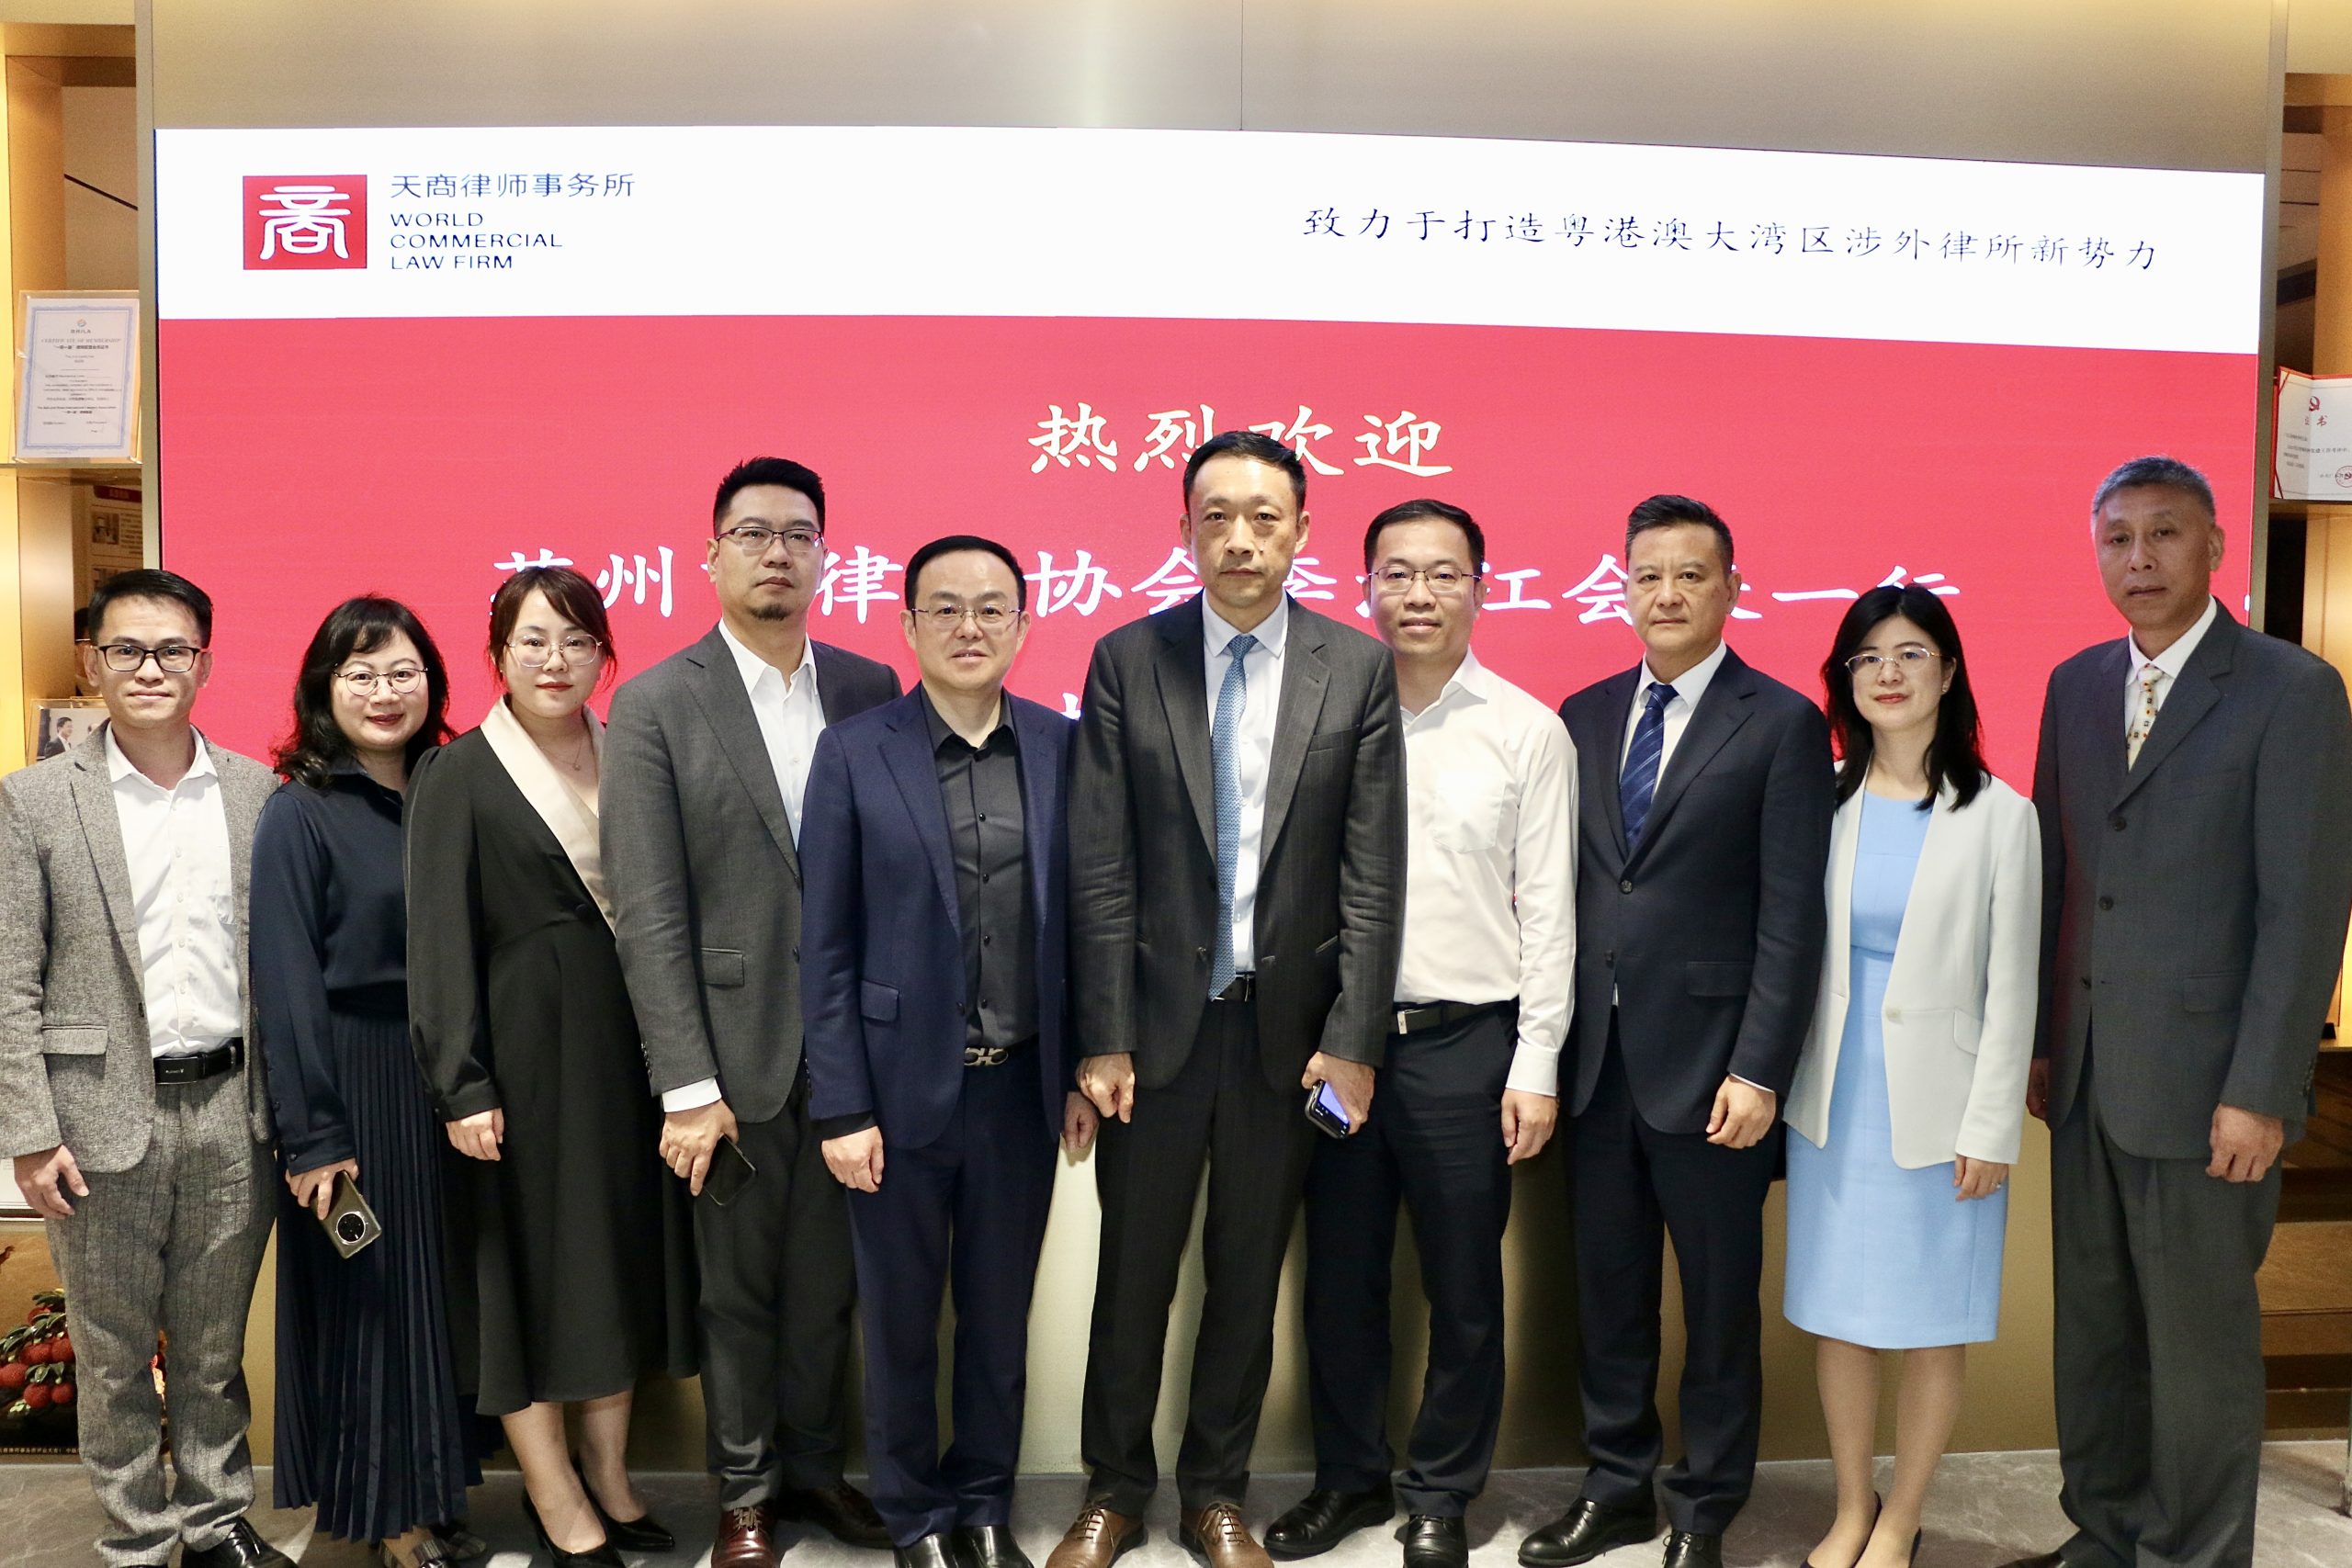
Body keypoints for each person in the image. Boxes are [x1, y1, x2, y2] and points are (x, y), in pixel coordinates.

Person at [1052, 431, 1407, 1568]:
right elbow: (1099, 862)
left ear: (1300, 531)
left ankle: (1215, 1493)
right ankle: (1112, 1491)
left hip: (1285, 1035)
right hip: (1154, 1033)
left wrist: (1352, 1040)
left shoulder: (1354, 669)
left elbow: (1372, 872)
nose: (1240, 538)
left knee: (1246, 1278)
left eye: (1264, 516)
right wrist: (1103, 1034)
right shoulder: (1128, 657)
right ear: (1185, 530)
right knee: (1133, 1278)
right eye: (1216, 516)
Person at [2002, 457, 2352, 1568]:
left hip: (2210, 1092)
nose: (2138, 558)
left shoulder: (2289, 690)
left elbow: (2304, 908)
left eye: (2163, 534)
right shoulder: (2074, 683)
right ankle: (2105, 1534)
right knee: (2095, 1333)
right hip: (2088, 1076)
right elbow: (2062, 877)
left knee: (2197, 1348)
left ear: (2213, 546)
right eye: (2117, 538)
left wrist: (2262, 1089)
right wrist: (2045, 1043)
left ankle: (2192, 1554)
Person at [604, 457, 900, 1568]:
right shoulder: (656, 702)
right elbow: (649, 910)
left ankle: (817, 1471)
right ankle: (745, 1495)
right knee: (736, 1297)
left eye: (798, 534)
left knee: (830, 1289)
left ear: (826, 555)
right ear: (711, 555)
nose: (777, 552)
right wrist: (686, 1085)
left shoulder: (870, 686)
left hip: (853, 1052)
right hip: (729, 1061)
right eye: (753, 533)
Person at [1527, 496, 1833, 1568]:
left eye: (1689, 575)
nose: (1665, 594)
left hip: (1715, 1075)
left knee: (1716, 1309)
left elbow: (1792, 916)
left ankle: (1705, 1506)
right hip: (1595, 1065)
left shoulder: (1781, 721)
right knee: (1606, 1298)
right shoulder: (1582, 713)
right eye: (1647, 574)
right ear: (1622, 587)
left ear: (1731, 588)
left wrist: (1760, 1068)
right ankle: (1615, 1486)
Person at [1268, 500, 1575, 1568]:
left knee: (1463, 1286)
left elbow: (1551, 914)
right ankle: (1349, 1479)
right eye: (1396, 574)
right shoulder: (1322, 721)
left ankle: (1441, 1491)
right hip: (1338, 1048)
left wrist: (1536, 1062)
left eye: (1443, 574)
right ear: (1364, 589)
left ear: (1481, 589)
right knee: (1340, 1280)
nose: (1418, 595)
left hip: (1466, 1045)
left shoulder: (1527, 730)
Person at [801, 535, 1097, 1568]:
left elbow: (1088, 924)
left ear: (1023, 623)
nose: (969, 627)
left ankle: (981, 1505)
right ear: (908, 625)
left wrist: (1081, 1064)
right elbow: (825, 945)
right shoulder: (854, 751)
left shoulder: (1064, 747)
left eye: (990, 608)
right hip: (891, 1098)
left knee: (998, 1321)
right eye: (945, 608)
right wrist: (841, 1105)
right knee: (898, 1325)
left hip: (1021, 1090)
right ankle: (915, 1517)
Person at [0, 570, 293, 1568]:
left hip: (232, 1110)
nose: (150, 668)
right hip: (96, 1120)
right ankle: (135, 1537)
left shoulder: (256, 793)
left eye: (172, 649)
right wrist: (29, 1133)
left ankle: (214, 1524)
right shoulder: (35, 800)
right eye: (125, 649)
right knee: (114, 1354)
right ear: (92, 662)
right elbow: (11, 977)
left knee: (212, 1352)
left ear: (204, 662)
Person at [405, 567, 697, 1567]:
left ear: (603, 656)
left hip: (628, 1057)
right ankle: (552, 1489)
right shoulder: (456, 772)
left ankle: (610, 1475)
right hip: (521, 1064)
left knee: (613, 1266)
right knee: (526, 1277)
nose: (554, 660)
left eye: (576, 641)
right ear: (497, 656)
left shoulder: (633, 753)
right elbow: (437, 941)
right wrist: (461, 1081)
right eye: (531, 640)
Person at [1780, 587, 2039, 1568]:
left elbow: (2012, 985)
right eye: (1868, 657)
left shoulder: (2000, 815)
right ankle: (1854, 1506)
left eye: (1911, 653)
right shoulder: (1819, 798)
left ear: (1949, 670)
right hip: (1833, 1096)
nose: (1888, 673)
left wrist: (1991, 1127)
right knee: (1839, 1316)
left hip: (1943, 1106)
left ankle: (1902, 1519)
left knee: (1933, 1323)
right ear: (1845, 678)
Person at [253, 596, 479, 1568]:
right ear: (325, 688)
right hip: (353, 1075)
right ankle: (391, 1519)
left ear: (433, 682)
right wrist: (313, 1134)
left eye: (403, 672)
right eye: (361, 674)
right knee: (374, 1301)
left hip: (449, 1076)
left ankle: (434, 1491)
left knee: (438, 1301)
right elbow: (286, 981)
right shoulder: (298, 810)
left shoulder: (451, 787)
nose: (385, 692)